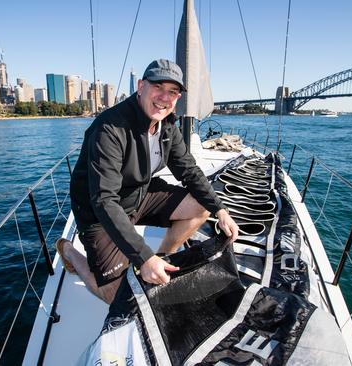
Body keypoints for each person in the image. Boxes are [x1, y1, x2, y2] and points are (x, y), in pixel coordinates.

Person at [56, 59, 239, 304]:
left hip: (138, 195)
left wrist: (220, 209)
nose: (164, 97)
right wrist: (143, 257)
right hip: (97, 212)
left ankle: (164, 256)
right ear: (141, 86)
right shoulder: (110, 128)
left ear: (178, 98)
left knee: (201, 207)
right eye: (158, 87)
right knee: (116, 296)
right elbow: (104, 200)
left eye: (172, 92)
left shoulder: (167, 125)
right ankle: (69, 251)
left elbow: (189, 171)